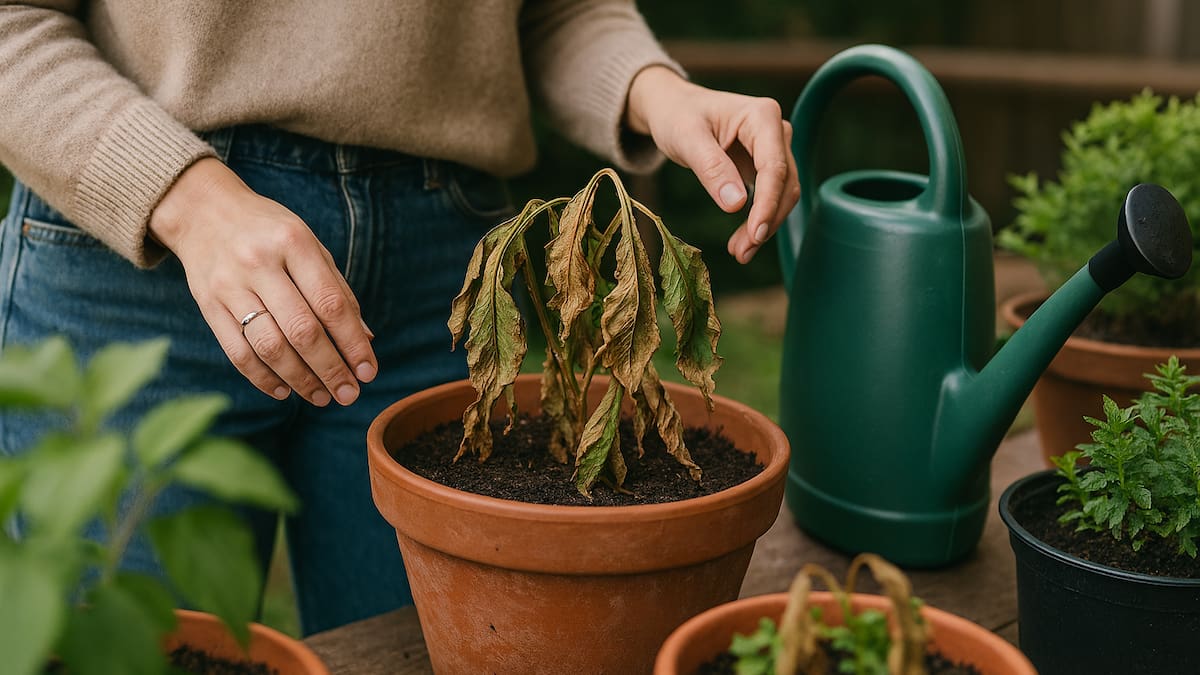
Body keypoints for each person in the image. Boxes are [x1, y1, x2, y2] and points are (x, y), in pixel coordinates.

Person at [0, 1, 800, 634]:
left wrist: (661, 93)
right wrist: (189, 201)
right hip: (141, 251)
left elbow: (556, 12)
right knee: (129, 646)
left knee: (422, 652)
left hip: (437, 276)